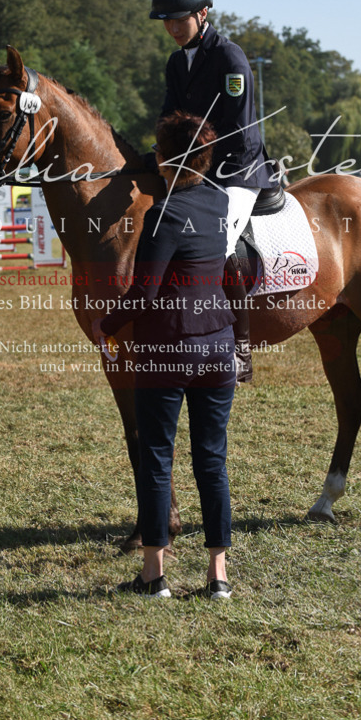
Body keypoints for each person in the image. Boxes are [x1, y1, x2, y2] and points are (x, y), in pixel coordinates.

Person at [93, 111, 237, 600]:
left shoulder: (162, 214)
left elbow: (145, 293)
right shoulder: (219, 202)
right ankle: (218, 576)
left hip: (169, 351)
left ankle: (154, 576)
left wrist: (105, 324)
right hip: (218, 346)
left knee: (157, 456)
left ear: (165, 158)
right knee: (212, 460)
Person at [150, 0, 279, 381]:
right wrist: (160, 151)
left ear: (202, 14)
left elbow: (237, 129)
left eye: (179, 19)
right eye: (167, 21)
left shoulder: (230, 58)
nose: (173, 28)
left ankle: (241, 348)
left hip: (236, 169)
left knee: (217, 244)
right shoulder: (176, 62)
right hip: (193, 169)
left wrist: (196, 165)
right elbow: (170, 118)